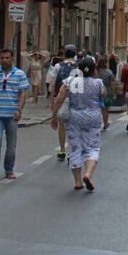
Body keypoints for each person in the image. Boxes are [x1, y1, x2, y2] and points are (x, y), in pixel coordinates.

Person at [51, 55, 105, 192]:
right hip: (93, 119)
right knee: (92, 148)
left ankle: (78, 181)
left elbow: (59, 99)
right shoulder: (98, 83)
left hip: (74, 119)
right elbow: (103, 96)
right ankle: (88, 174)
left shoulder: (70, 81)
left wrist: (54, 116)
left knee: (75, 149)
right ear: (94, 71)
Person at [0, 48, 29, 183]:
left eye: (7, 58)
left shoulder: (19, 74)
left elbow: (22, 93)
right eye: (2, 58)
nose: (4, 60)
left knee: (11, 145)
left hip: (12, 114)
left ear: (12, 58)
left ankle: (9, 169)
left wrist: (19, 110)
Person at [52, 46, 78, 160]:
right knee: (73, 126)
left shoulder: (58, 66)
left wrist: (53, 99)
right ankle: (73, 150)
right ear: (75, 54)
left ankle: (62, 150)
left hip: (61, 97)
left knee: (61, 125)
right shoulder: (79, 66)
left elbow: (53, 83)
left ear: (64, 54)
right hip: (75, 99)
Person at [97, 54, 115, 131]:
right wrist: (113, 94)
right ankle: (105, 123)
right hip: (106, 93)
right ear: (105, 63)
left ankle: (96, 124)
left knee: (96, 109)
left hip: (96, 92)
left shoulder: (96, 72)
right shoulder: (109, 72)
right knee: (105, 110)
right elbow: (112, 85)